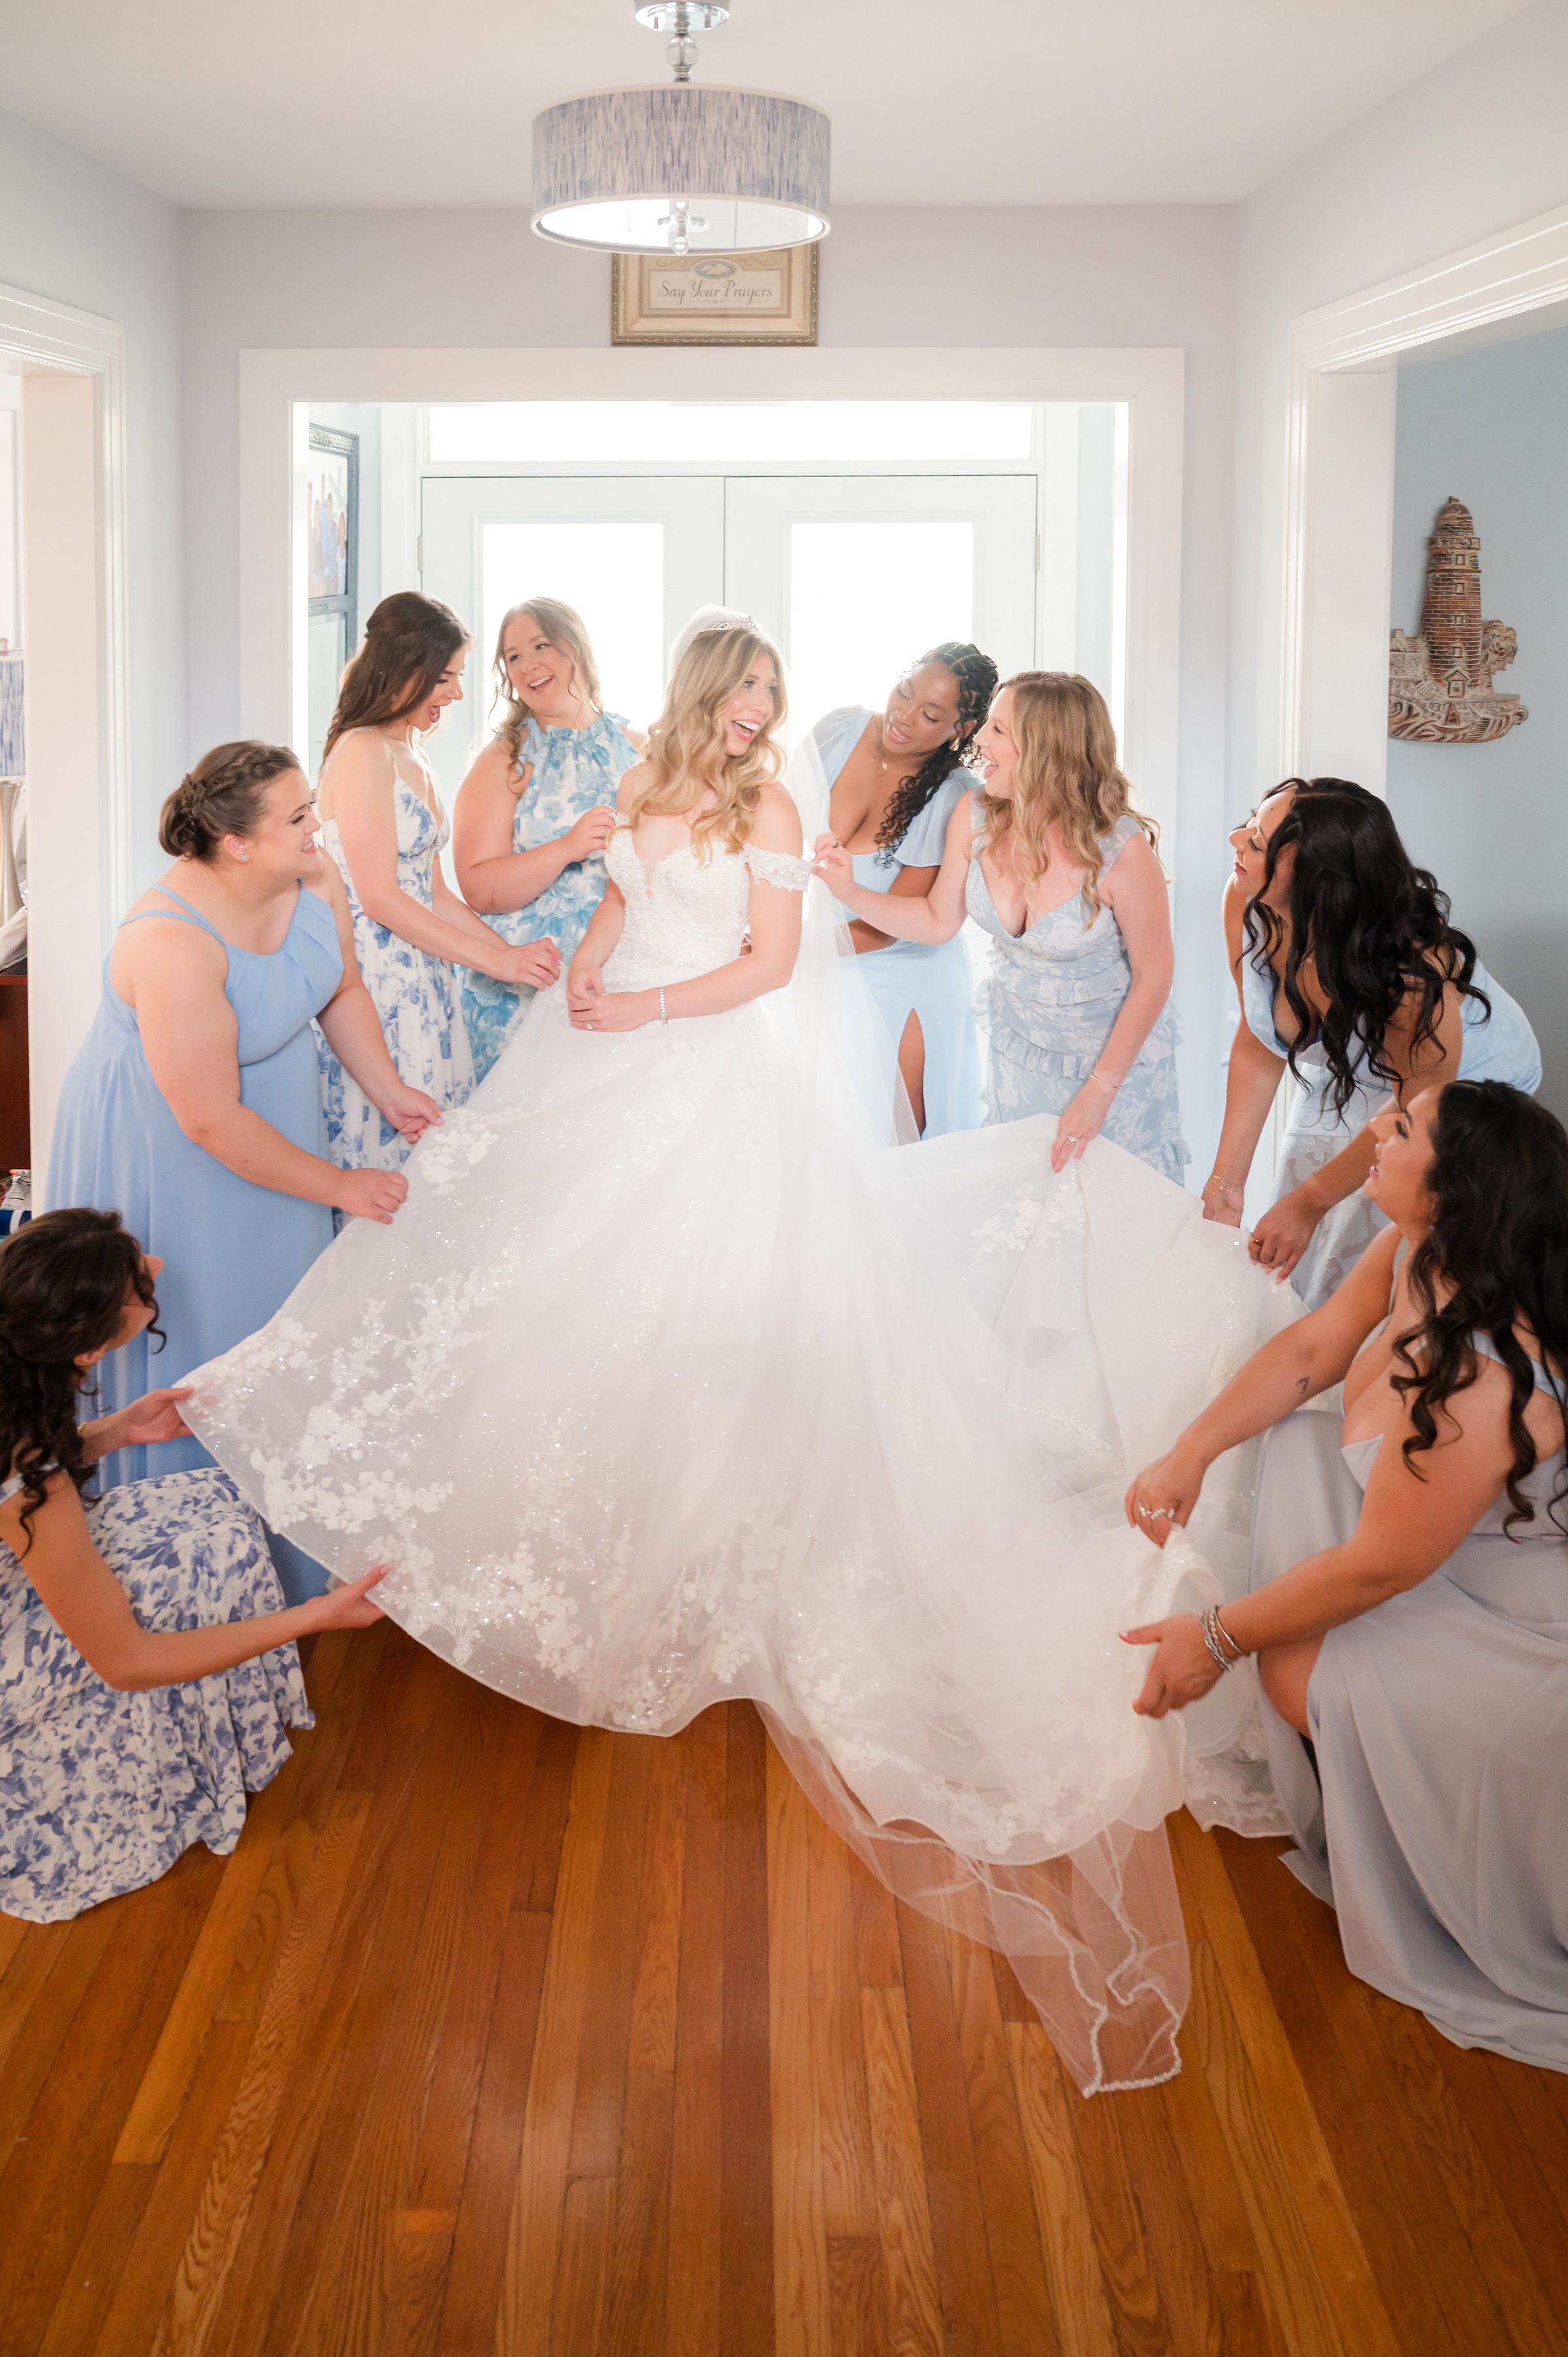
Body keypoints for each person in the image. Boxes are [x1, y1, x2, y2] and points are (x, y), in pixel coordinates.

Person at [183, 613, 1297, 2099]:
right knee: (536, 1299)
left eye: (774, 690)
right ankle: (574, 1538)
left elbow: (771, 965)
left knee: (694, 1317)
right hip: (595, 1058)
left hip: (702, 1079)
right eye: (748, 686)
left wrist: (639, 999)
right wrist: (586, 970)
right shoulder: (643, 796)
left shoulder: (773, 807)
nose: (762, 709)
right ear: (706, 693)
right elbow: (612, 903)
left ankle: (701, 1550)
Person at [1124, 1079, 1568, 2073]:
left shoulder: (1482, 1381)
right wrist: (1188, 1450)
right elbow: (1316, 1348)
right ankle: (1379, 1793)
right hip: (1441, 1551)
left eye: (1403, 1128)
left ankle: (1447, 1847)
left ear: (1452, 1192)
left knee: (1286, 1668)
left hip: (1516, 1618)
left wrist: (1215, 1635)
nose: (1378, 1126)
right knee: (1285, 1449)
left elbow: (1380, 1566)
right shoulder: (1419, 1246)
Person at [45, 740, 439, 1509]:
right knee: (203, 1332)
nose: (315, 826)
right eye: (297, 816)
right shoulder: (169, 942)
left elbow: (341, 986)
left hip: (272, 1128)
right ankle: (185, 1533)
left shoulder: (312, 874)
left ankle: (282, 1527)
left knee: (278, 1325)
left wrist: (389, 1090)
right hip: (175, 1144)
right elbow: (212, 1121)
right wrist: (341, 1185)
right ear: (237, 843)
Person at [0, 1208, 385, 1922]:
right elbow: (127, 1660)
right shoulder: (34, 1480)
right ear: (84, 1351)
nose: (158, 1268)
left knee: (213, 1511)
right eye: (137, 1281)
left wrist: (113, 1431)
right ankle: (132, 1779)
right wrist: (316, 1615)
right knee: (199, 1560)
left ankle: (197, 1746)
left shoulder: (15, 1393)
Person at [816, 670, 1185, 1180]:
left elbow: (1155, 975)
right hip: (1019, 1061)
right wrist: (851, 892)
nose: (980, 741)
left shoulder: (1120, 850)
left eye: (998, 730)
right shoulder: (976, 814)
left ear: (1046, 747)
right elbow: (937, 919)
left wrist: (1101, 1091)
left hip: (1109, 1070)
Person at [1201, 777, 1540, 1306]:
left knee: (1377, 1255)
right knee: (1295, 1249)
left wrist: (1311, 1202)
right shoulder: (1249, 902)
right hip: (1355, 1067)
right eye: (1251, 822)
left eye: (1258, 841)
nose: (1234, 839)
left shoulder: (1410, 977)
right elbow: (1260, 1036)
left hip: (1450, 1088)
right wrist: (1227, 1185)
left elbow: (1412, 1103)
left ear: (1318, 882)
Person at [316, 592, 558, 1166]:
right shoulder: (361, 751)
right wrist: (495, 964)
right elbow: (378, 896)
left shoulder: (411, 751)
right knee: (390, 1157)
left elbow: (436, 894)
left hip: (424, 977)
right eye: (446, 677)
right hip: (374, 984)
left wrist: (513, 955)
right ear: (405, 670)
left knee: (438, 1159)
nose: (457, 693)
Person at [453, 598, 643, 1082]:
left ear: (575, 649)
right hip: (528, 982)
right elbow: (477, 888)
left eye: (541, 646)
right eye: (513, 656)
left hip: (622, 968)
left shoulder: (638, 748)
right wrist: (566, 848)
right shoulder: (505, 759)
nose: (527, 665)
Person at [811, 644, 996, 1136]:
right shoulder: (839, 730)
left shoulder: (954, 796)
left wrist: (795, 951)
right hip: (817, 953)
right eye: (905, 692)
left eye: (931, 714)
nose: (904, 716)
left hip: (902, 968)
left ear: (961, 730)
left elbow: (887, 929)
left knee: (893, 1136)